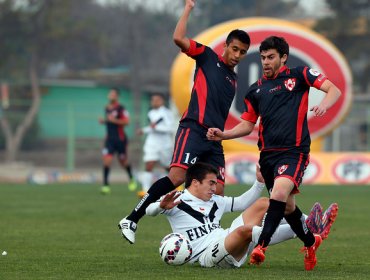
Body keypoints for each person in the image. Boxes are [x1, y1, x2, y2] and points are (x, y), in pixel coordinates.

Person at [118, 0, 250, 244]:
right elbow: (179, 38)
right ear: (226, 46)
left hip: (214, 140)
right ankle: (132, 218)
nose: (238, 55)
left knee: (216, 191)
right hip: (193, 130)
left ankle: (207, 240)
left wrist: (221, 134)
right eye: (235, 49)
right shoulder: (208, 57)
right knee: (178, 176)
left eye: (242, 52)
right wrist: (188, 7)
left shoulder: (233, 79)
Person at [206, 36, 341, 270]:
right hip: (268, 156)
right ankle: (311, 241)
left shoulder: (299, 75)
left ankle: (262, 246)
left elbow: (333, 90)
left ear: (283, 57)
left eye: (271, 57)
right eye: (263, 58)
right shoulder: (256, 90)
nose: (266, 62)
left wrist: (324, 105)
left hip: (294, 152)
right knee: (287, 207)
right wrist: (224, 135)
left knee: (278, 194)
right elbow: (248, 124)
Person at [146, 162, 337, 268]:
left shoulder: (215, 201)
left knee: (264, 203)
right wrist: (160, 206)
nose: (215, 188)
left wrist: (259, 183)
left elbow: (242, 203)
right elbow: (149, 210)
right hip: (208, 256)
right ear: (195, 182)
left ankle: (309, 227)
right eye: (211, 183)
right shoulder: (176, 199)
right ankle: (305, 231)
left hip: (226, 239)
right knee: (245, 230)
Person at [99, 88, 137, 194]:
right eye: (110, 94)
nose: (111, 96)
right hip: (109, 140)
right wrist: (104, 121)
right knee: (107, 161)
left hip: (120, 140)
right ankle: (105, 185)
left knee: (123, 162)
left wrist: (113, 120)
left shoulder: (121, 108)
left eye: (113, 94)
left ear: (117, 96)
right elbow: (109, 122)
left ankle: (131, 178)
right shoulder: (107, 108)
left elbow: (126, 122)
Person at [137, 93, 175, 198]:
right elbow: (151, 127)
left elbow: (170, 128)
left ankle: (176, 185)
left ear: (162, 101)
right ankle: (145, 191)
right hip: (152, 143)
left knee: (167, 167)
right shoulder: (151, 113)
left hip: (164, 144)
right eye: (152, 100)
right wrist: (143, 130)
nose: (154, 102)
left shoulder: (167, 113)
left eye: (156, 100)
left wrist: (156, 128)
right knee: (149, 164)